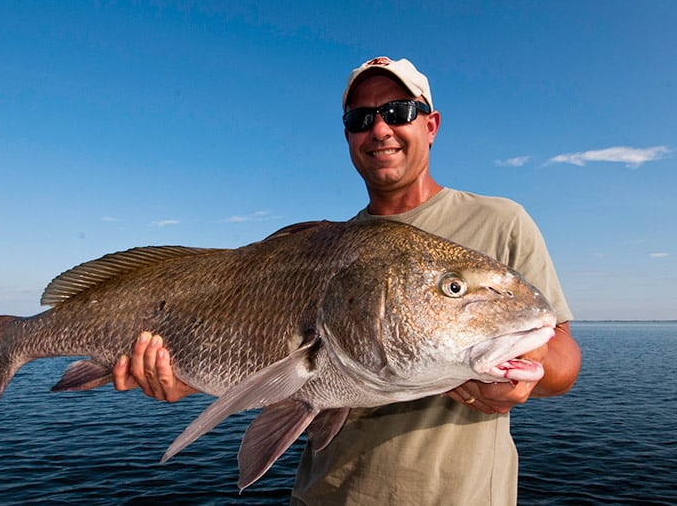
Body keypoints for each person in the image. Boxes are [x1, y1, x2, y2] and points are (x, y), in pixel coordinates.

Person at [112, 56, 582, 505]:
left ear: (431, 125)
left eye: (398, 111)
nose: (380, 129)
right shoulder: (321, 250)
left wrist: (530, 370)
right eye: (361, 119)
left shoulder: (501, 222)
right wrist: (183, 378)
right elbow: (263, 353)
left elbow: (560, 354)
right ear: (348, 136)